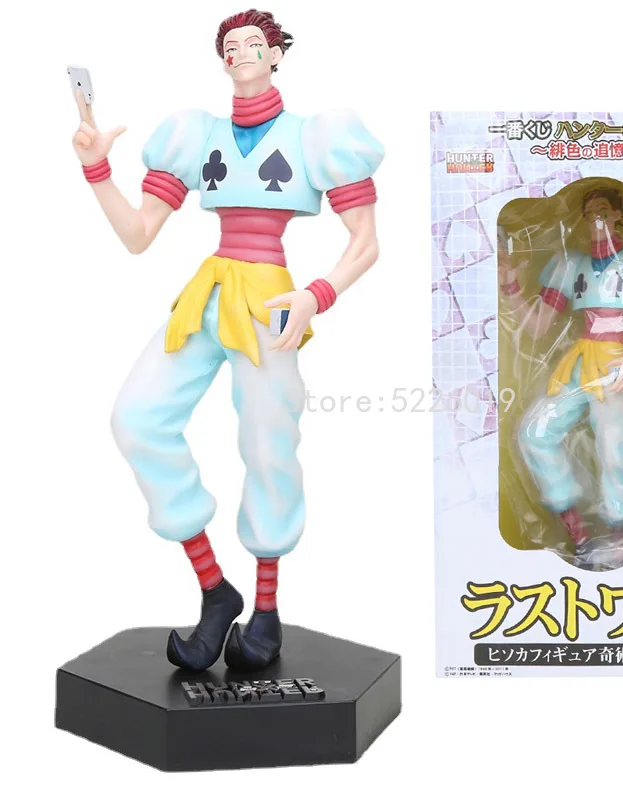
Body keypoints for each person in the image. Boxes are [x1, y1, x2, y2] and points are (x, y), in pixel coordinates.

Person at [71, 9, 383, 669]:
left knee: (270, 443)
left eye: (254, 43)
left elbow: (366, 242)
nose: (241, 52)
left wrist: (315, 295)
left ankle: (266, 611)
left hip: (271, 303)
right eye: (230, 45)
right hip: (208, 293)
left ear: (276, 55)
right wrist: (98, 171)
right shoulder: (196, 134)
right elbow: (137, 234)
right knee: (137, 417)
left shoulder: (316, 136)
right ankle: (216, 590)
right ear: (222, 62)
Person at [498, 187, 623, 569]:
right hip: (579, 362)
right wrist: (511, 287)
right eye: (588, 212)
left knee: (616, 442)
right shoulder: (572, 265)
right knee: (534, 431)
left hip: (615, 365)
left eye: (602, 209)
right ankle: (577, 532)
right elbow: (537, 327)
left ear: (617, 214)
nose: (594, 217)